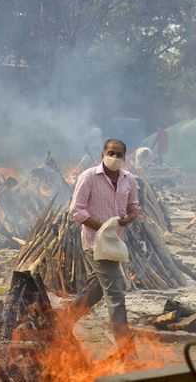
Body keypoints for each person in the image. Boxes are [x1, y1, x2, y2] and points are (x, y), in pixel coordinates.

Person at [62, 139, 140, 353]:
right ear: (103, 153)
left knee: (96, 289)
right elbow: (76, 211)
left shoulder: (129, 179)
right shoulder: (88, 177)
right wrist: (102, 226)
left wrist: (129, 218)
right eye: (111, 153)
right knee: (115, 293)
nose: (114, 157)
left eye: (119, 154)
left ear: (125, 157)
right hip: (94, 243)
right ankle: (126, 348)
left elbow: (134, 207)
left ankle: (62, 321)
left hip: (115, 244)